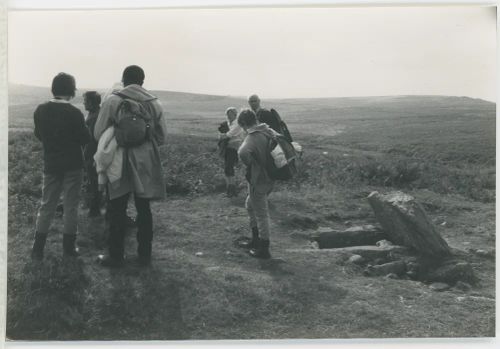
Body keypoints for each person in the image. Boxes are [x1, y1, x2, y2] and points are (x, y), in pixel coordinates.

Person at [94, 65, 167, 267]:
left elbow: (98, 132)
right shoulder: (154, 103)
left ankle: (115, 256)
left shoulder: (113, 101)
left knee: (117, 208)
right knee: (144, 209)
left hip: (119, 159)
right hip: (145, 160)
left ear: (123, 80)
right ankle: (145, 255)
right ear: (143, 81)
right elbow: (161, 137)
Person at [31, 72, 90, 260]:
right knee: (70, 206)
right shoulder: (75, 113)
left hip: (51, 163)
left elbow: (39, 134)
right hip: (73, 164)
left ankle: (37, 249)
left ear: (53, 88)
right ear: (72, 91)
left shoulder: (40, 110)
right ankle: (68, 248)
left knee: (46, 205)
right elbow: (85, 139)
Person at [237, 109, 277, 259]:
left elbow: (242, 153)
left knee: (261, 213)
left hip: (258, 178)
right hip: (270, 176)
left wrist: (251, 164)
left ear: (243, 123)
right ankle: (255, 240)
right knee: (250, 204)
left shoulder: (252, 137)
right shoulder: (267, 130)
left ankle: (264, 248)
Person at [83, 91, 102, 217]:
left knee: (94, 182)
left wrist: (85, 157)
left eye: (85, 101)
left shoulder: (94, 117)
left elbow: (90, 140)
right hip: (97, 153)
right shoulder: (97, 113)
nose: (84, 103)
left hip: (93, 154)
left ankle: (95, 210)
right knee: (96, 182)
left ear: (91, 102)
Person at [218, 107, 244, 197]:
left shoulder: (237, 124)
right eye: (227, 114)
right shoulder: (228, 123)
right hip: (227, 147)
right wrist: (224, 136)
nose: (229, 116)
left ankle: (232, 190)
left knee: (229, 167)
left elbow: (228, 135)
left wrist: (224, 135)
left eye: (231, 114)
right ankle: (230, 189)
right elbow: (223, 135)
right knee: (227, 168)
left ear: (235, 114)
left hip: (233, 147)